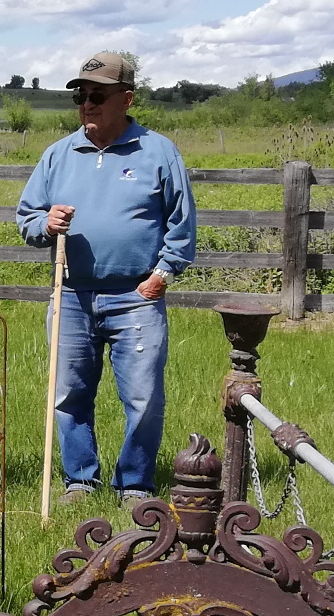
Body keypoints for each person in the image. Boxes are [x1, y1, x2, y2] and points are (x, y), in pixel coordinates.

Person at [14, 52, 197, 503]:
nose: (87, 105)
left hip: (135, 295)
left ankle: (135, 483)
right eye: (80, 96)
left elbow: (182, 222)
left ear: (126, 99)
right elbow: (27, 218)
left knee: (143, 398)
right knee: (68, 395)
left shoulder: (158, 151)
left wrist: (163, 274)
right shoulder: (58, 155)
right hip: (71, 293)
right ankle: (80, 478)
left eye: (97, 95)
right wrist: (46, 224)